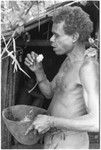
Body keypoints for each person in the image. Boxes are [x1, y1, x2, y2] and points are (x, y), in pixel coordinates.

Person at [24, 6, 99, 149]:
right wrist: (39, 71)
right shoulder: (68, 62)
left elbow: (96, 122)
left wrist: (50, 121)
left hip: (70, 144)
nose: (51, 39)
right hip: (53, 142)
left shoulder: (87, 67)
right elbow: (49, 93)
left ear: (75, 37)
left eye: (57, 35)